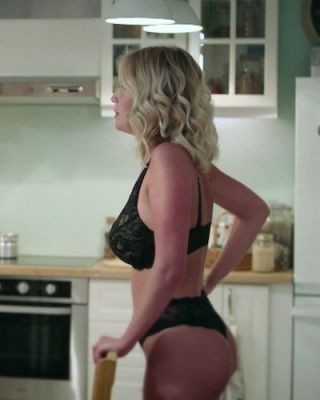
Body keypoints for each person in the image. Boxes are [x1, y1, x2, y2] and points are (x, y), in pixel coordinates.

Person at [93, 46, 269, 399]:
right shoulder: (185, 159)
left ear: (149, 97)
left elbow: (170, 267)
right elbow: (255, 211)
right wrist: (208, 282)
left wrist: (125, 340)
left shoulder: (169, 159)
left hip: (185, 341)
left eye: (123, 87)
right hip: (186, 330)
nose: (114, 96)